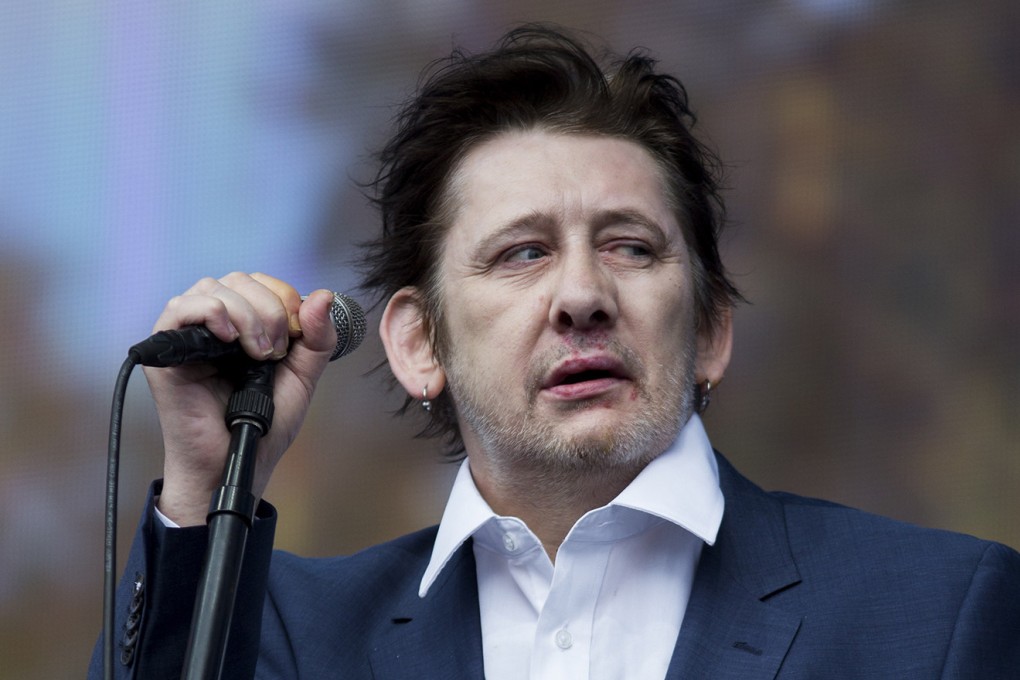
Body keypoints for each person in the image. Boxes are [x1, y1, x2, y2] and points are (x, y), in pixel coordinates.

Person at [91, 25, 1020, 679]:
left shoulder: (939, 612)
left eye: (631, 247)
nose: (582, 296)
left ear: (709, 328)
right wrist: (202, 489)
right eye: (523, 253)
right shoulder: (290, 637)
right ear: (419, 345)